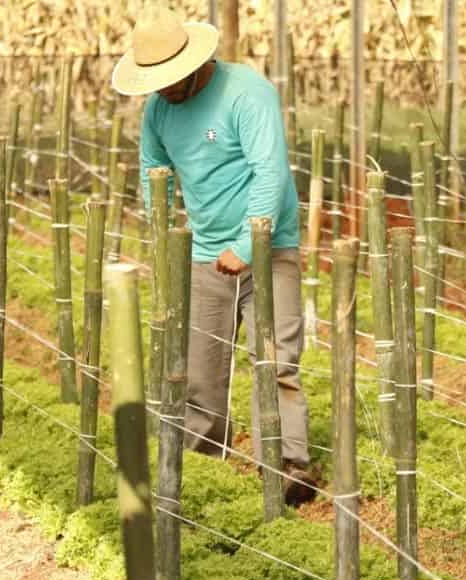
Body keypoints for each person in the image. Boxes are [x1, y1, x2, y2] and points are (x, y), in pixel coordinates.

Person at [112, 7, 316, 505]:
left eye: (167, 81)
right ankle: (204, 466)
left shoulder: (246, 93)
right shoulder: (159, 111)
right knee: (201, 372)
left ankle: (291, 466)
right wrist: (163, 237)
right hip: (205, 254)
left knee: (275, 360)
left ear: (193, 65)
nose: (160, 91)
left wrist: (247, 247)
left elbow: (271, 173)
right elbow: (151, 172)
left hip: (270, 247)